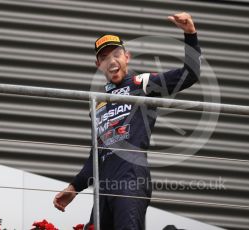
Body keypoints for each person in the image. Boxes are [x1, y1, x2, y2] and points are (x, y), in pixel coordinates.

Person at [53, 12, 201, 230]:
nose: (111, 61)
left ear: (127, 57)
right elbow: (96, 155)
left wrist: (190, 34)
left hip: (130, 181)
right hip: (103, 188)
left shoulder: (142, 84)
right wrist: (74, 187)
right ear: (98, 65)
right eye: (104, 57)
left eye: (116, 54)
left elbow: (190, 74)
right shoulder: (98, 104)